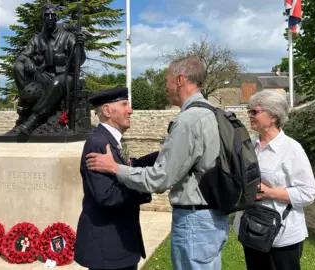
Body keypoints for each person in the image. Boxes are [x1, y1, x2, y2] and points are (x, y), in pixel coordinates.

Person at [85, 56, 230, 270]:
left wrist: (116, 168)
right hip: (210, 220)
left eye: (167, 80)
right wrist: (162, 155)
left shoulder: (189, 120)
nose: (165, 87)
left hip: (195, 222)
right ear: (106, 111)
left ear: (180, 79)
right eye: (124, 104)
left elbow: (160, 179)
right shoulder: (212, 112)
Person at [233, 90, 315, 270]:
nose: (249, 115)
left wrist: (269, 193)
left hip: (281, 237)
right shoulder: (250, 146)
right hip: (251, 230)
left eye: (254, 112)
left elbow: (308, 193)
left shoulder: (291, 149)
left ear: (273, 116)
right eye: (249, 111)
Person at [74, 87, 157, 270]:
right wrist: (144, 186)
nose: (131, 110)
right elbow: (107, 196)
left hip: (119, 244)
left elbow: (126, 167)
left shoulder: (111, 140)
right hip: (109, 249)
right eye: (124, 104)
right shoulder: (98, 143)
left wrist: (162, 155)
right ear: (107, 110)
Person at [12, 2, 86, 135]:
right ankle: (28, 105)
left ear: (57, 17)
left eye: (53, 15)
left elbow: (79, 61)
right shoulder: (37, 39)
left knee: (56, 82)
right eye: (47, 15)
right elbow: (22, 56)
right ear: (43, 18)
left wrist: (81, 46)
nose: (50, 18)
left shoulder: (68, 37)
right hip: (45, 76)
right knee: (18, 67)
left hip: (65, 77)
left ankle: (33, 120)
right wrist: (27, 59)